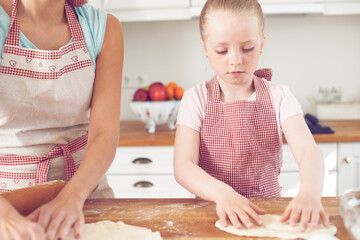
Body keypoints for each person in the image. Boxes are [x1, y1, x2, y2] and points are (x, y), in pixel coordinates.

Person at [174, 0, 329, 232]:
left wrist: (309, 193)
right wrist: (222, 194)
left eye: (247, 48)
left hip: (268, 214)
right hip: (211, 214)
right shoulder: (195, 99)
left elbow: (308, 151)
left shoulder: (279, 96)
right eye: (222, 50)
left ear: (261, 43)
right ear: (205, 48)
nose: (236, 59)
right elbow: (183, 165)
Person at [0, 0, 123, 239]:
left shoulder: (103, 28)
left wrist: (72, 198)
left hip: (84, 195)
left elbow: (104, 133)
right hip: (8, 203)